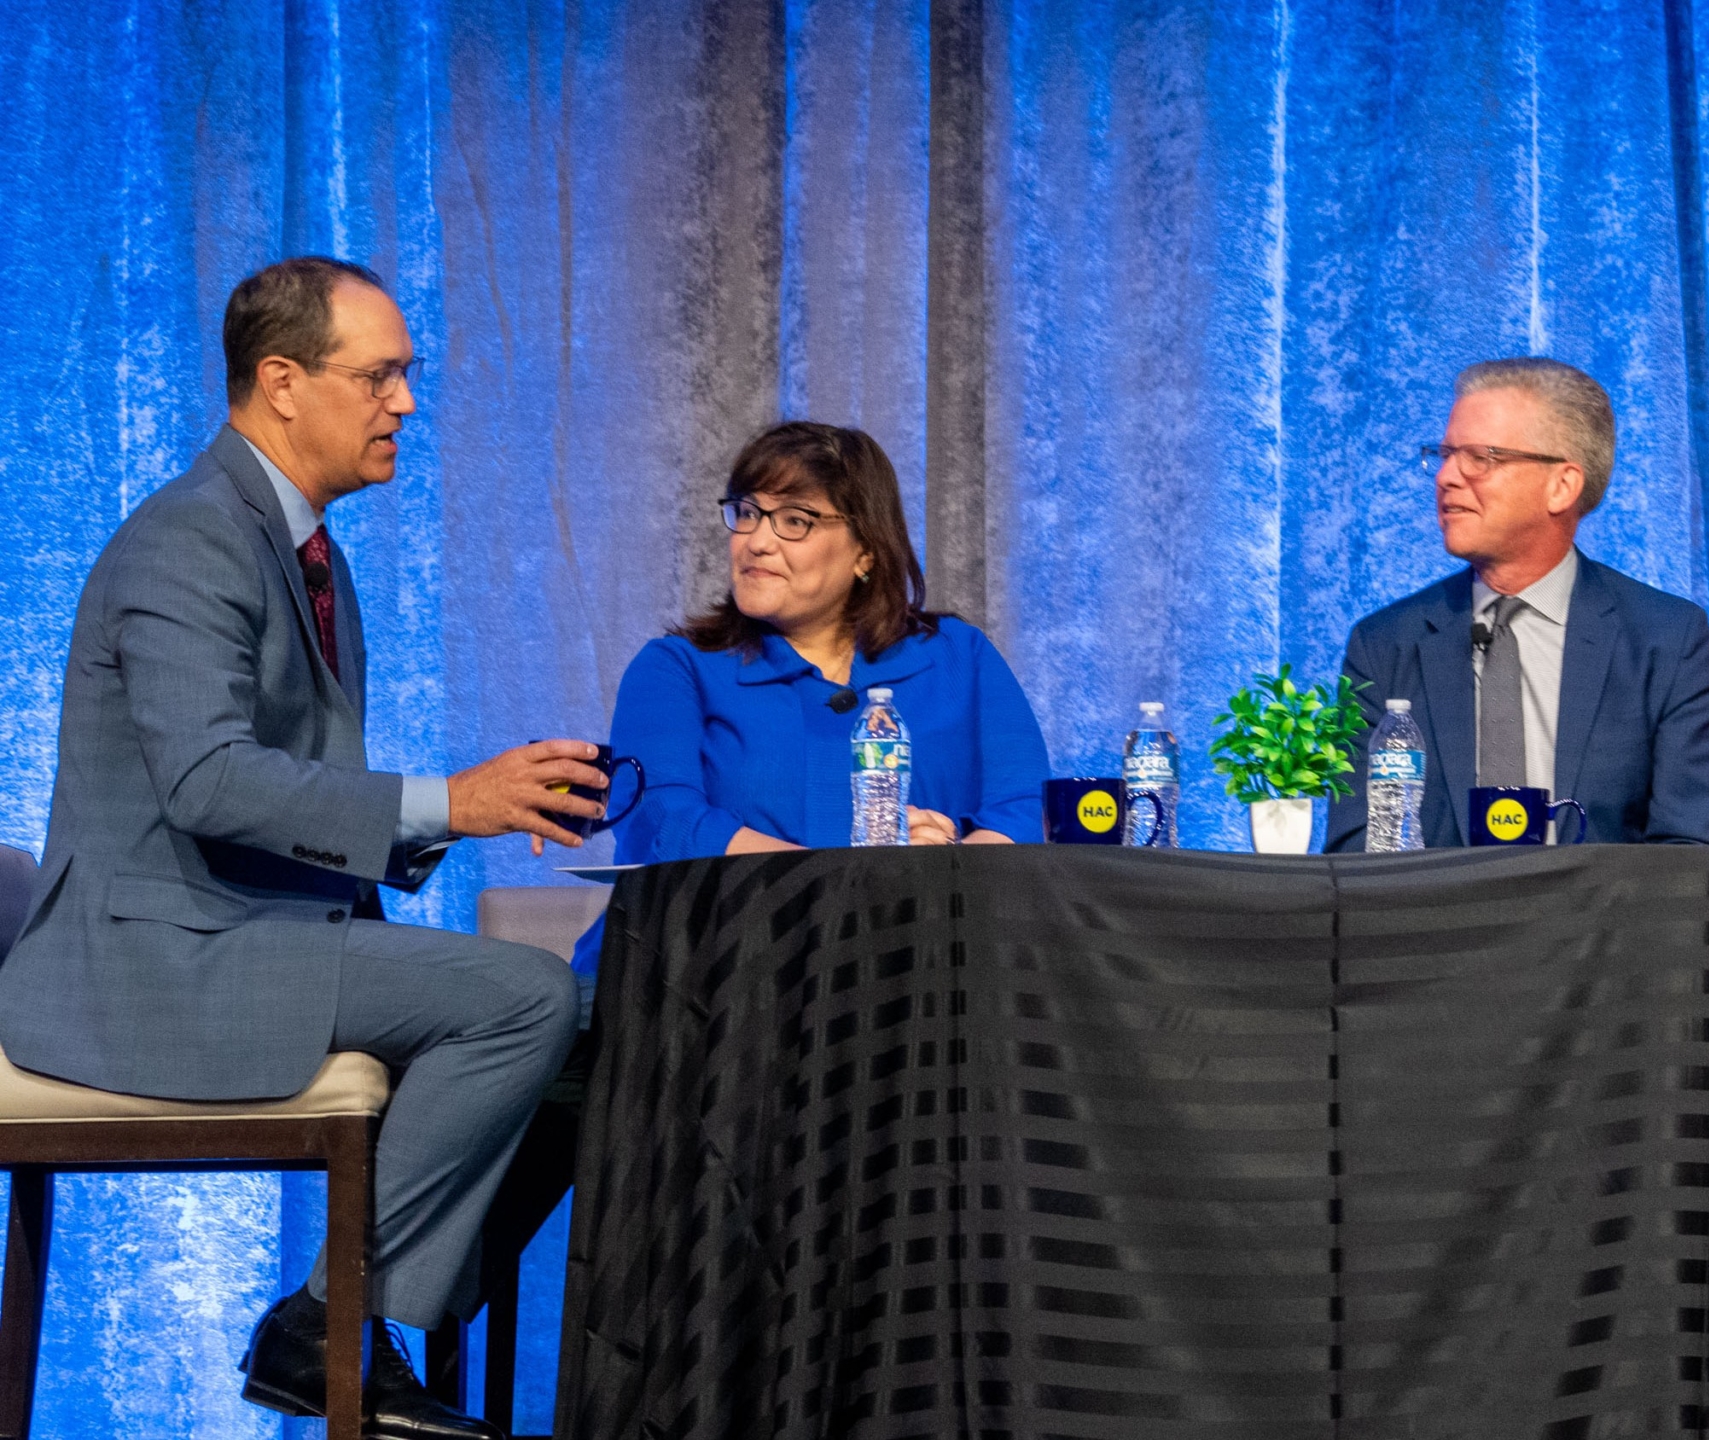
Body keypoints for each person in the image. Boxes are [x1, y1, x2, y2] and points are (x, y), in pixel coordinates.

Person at [0, 257, 600, 1440]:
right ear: (282, 382)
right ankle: (331, 1328)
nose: (405, 404)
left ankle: (354, 1324)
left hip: (238, 933)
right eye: (379, 376)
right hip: (153, 966)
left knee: (584, 1039)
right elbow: (210, 781)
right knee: (527, 1000)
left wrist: (452, 810)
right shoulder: (190, 540)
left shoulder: (301, 546)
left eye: (406, 378)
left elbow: (295, 787)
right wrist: (448, 803)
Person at [567, 422, 1047, 969]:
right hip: (706, 968)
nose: (756, 541)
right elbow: (661, 820)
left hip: (914, 961)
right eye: (746, 512)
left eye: (795, 520)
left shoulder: (959, 656)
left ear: (866, 551)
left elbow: (1026, 809)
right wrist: (846, 879)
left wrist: (947, 870)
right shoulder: (675, 668)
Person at [1324, 358, 1709, 850]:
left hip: (1601, 927)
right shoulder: (1385, 645)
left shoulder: (1666, 640)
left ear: (1561, 485)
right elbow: (1355, 851)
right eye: (1445, 453)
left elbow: (1692, 851)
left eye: (1481, 457)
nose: (1447, 477)